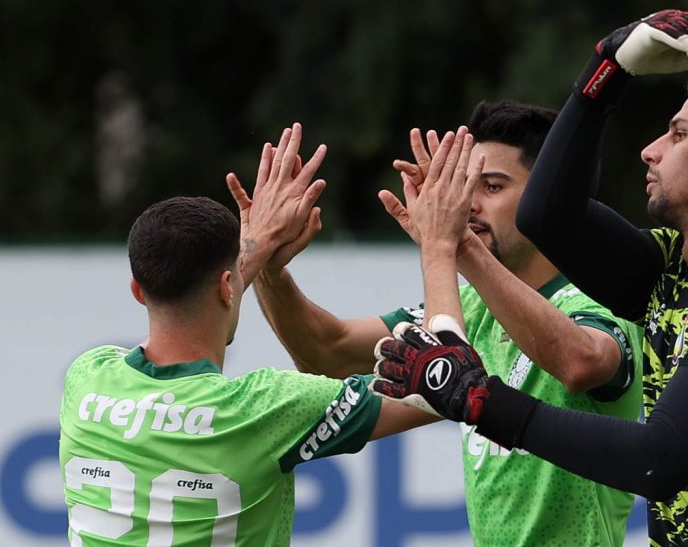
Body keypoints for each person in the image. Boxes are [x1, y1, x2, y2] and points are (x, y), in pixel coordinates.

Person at [372, 10, 688, 546]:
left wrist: (482, 401)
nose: (651, 149)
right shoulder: (673, 265)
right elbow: (546, 216)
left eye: (679, 133)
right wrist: (607, 68)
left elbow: (660, 460)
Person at [226, 101, 644, 546]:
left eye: (493, 186)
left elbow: (582, 362)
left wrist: (453, 245)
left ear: (550, 199)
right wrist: (269, 266)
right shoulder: (471, 307)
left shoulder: (599, 297)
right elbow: (326, 352)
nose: (468, 203)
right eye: (465, 186)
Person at [58, 125, 431, 546]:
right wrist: (441, 244)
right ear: (225, 286)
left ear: (137, 291)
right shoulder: (264, 408)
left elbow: (217, 292)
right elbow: (439, 384)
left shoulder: (86, 380)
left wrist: (258, 245)